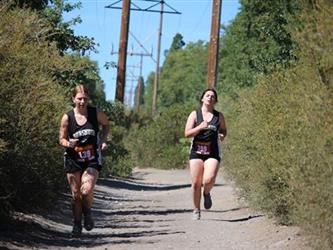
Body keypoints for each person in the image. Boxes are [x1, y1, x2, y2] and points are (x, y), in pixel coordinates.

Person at [59, 84, 109, 237]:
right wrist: (68, 143)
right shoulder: (67, 117)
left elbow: (106, 125)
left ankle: (87, 212)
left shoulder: (95, 114)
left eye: (85, 99)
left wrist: (104, 140)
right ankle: (76, 224)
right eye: (79, 98)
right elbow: (61, 138)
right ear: (73, 99)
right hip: (73, 158)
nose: (82, 102)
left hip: (92, 158)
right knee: (75, 194)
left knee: (86, 190)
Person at [184, 88, 227, 220]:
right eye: (207, 95)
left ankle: (207, 193)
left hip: (212, 151)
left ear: (215, 100)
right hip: (196, 151)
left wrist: (222, 135)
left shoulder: (218, 116)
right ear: (202, 98)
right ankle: (196, 210)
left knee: (209, 179)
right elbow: (187, 133)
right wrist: (200, 127)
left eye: (212, 96)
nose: (210, 97)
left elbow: (224, 130)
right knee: (196, 183)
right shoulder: (195, 114)